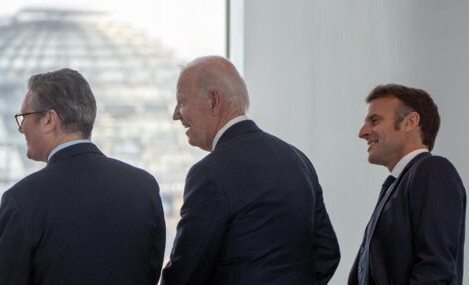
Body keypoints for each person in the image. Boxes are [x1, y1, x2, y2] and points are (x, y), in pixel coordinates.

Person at [162, 56, 340, 285]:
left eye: (182, 101)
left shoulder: (210, 173)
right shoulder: (297, 159)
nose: (176, 114)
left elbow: (187, 271)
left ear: (213, 101)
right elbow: (327, 252)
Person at [0, 68, 166, 285]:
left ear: (49, 120)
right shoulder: (144, 187)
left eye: (24, 116)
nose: (21, 128)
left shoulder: (22, 199)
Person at [349, 84, 466, 285]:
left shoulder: (432, 171)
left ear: (410, 122)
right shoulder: (400, 183)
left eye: (374, 120)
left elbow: (435, 271)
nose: (363, 132)